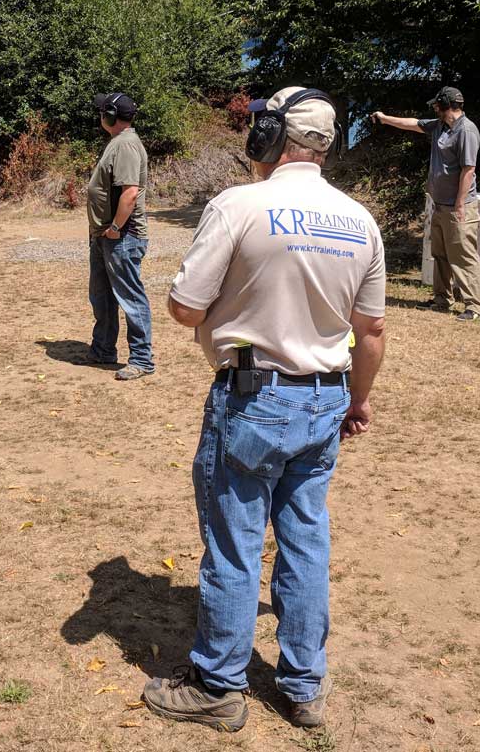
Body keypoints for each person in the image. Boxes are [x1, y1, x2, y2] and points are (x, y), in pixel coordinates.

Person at [143, 86, 387, 732]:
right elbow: (372, 330)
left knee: (235, 542)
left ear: (272, 137)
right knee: (306, 540)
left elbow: (184, 308)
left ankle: (218, 685)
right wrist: (358, 400)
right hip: (327, 397)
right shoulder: (360, 222)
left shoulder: (239, 206)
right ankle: (304, 686)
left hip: (253, 398)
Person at [372, 86, 480, 320]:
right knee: (440, 255)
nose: (434, 107)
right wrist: (384, 118)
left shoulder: (466, 130)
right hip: (440, 204)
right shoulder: (439, 126)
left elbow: (468, 169)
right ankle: (442, 299)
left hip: (459, 207)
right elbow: (412, 124)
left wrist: (460, 204)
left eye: (437, 104)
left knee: (463, 256)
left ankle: (474, 307)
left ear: (446, 104)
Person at [85, 92, 154, 380]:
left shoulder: (125, 145)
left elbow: (130, 193)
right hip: (107, 235)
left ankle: (142, 359)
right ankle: (103, 349)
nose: (100, 116)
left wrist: (114, 228)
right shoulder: (118, 142)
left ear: (111, 115)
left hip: (122, 235)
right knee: (101, 296)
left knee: (130, 297)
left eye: (103, 111)